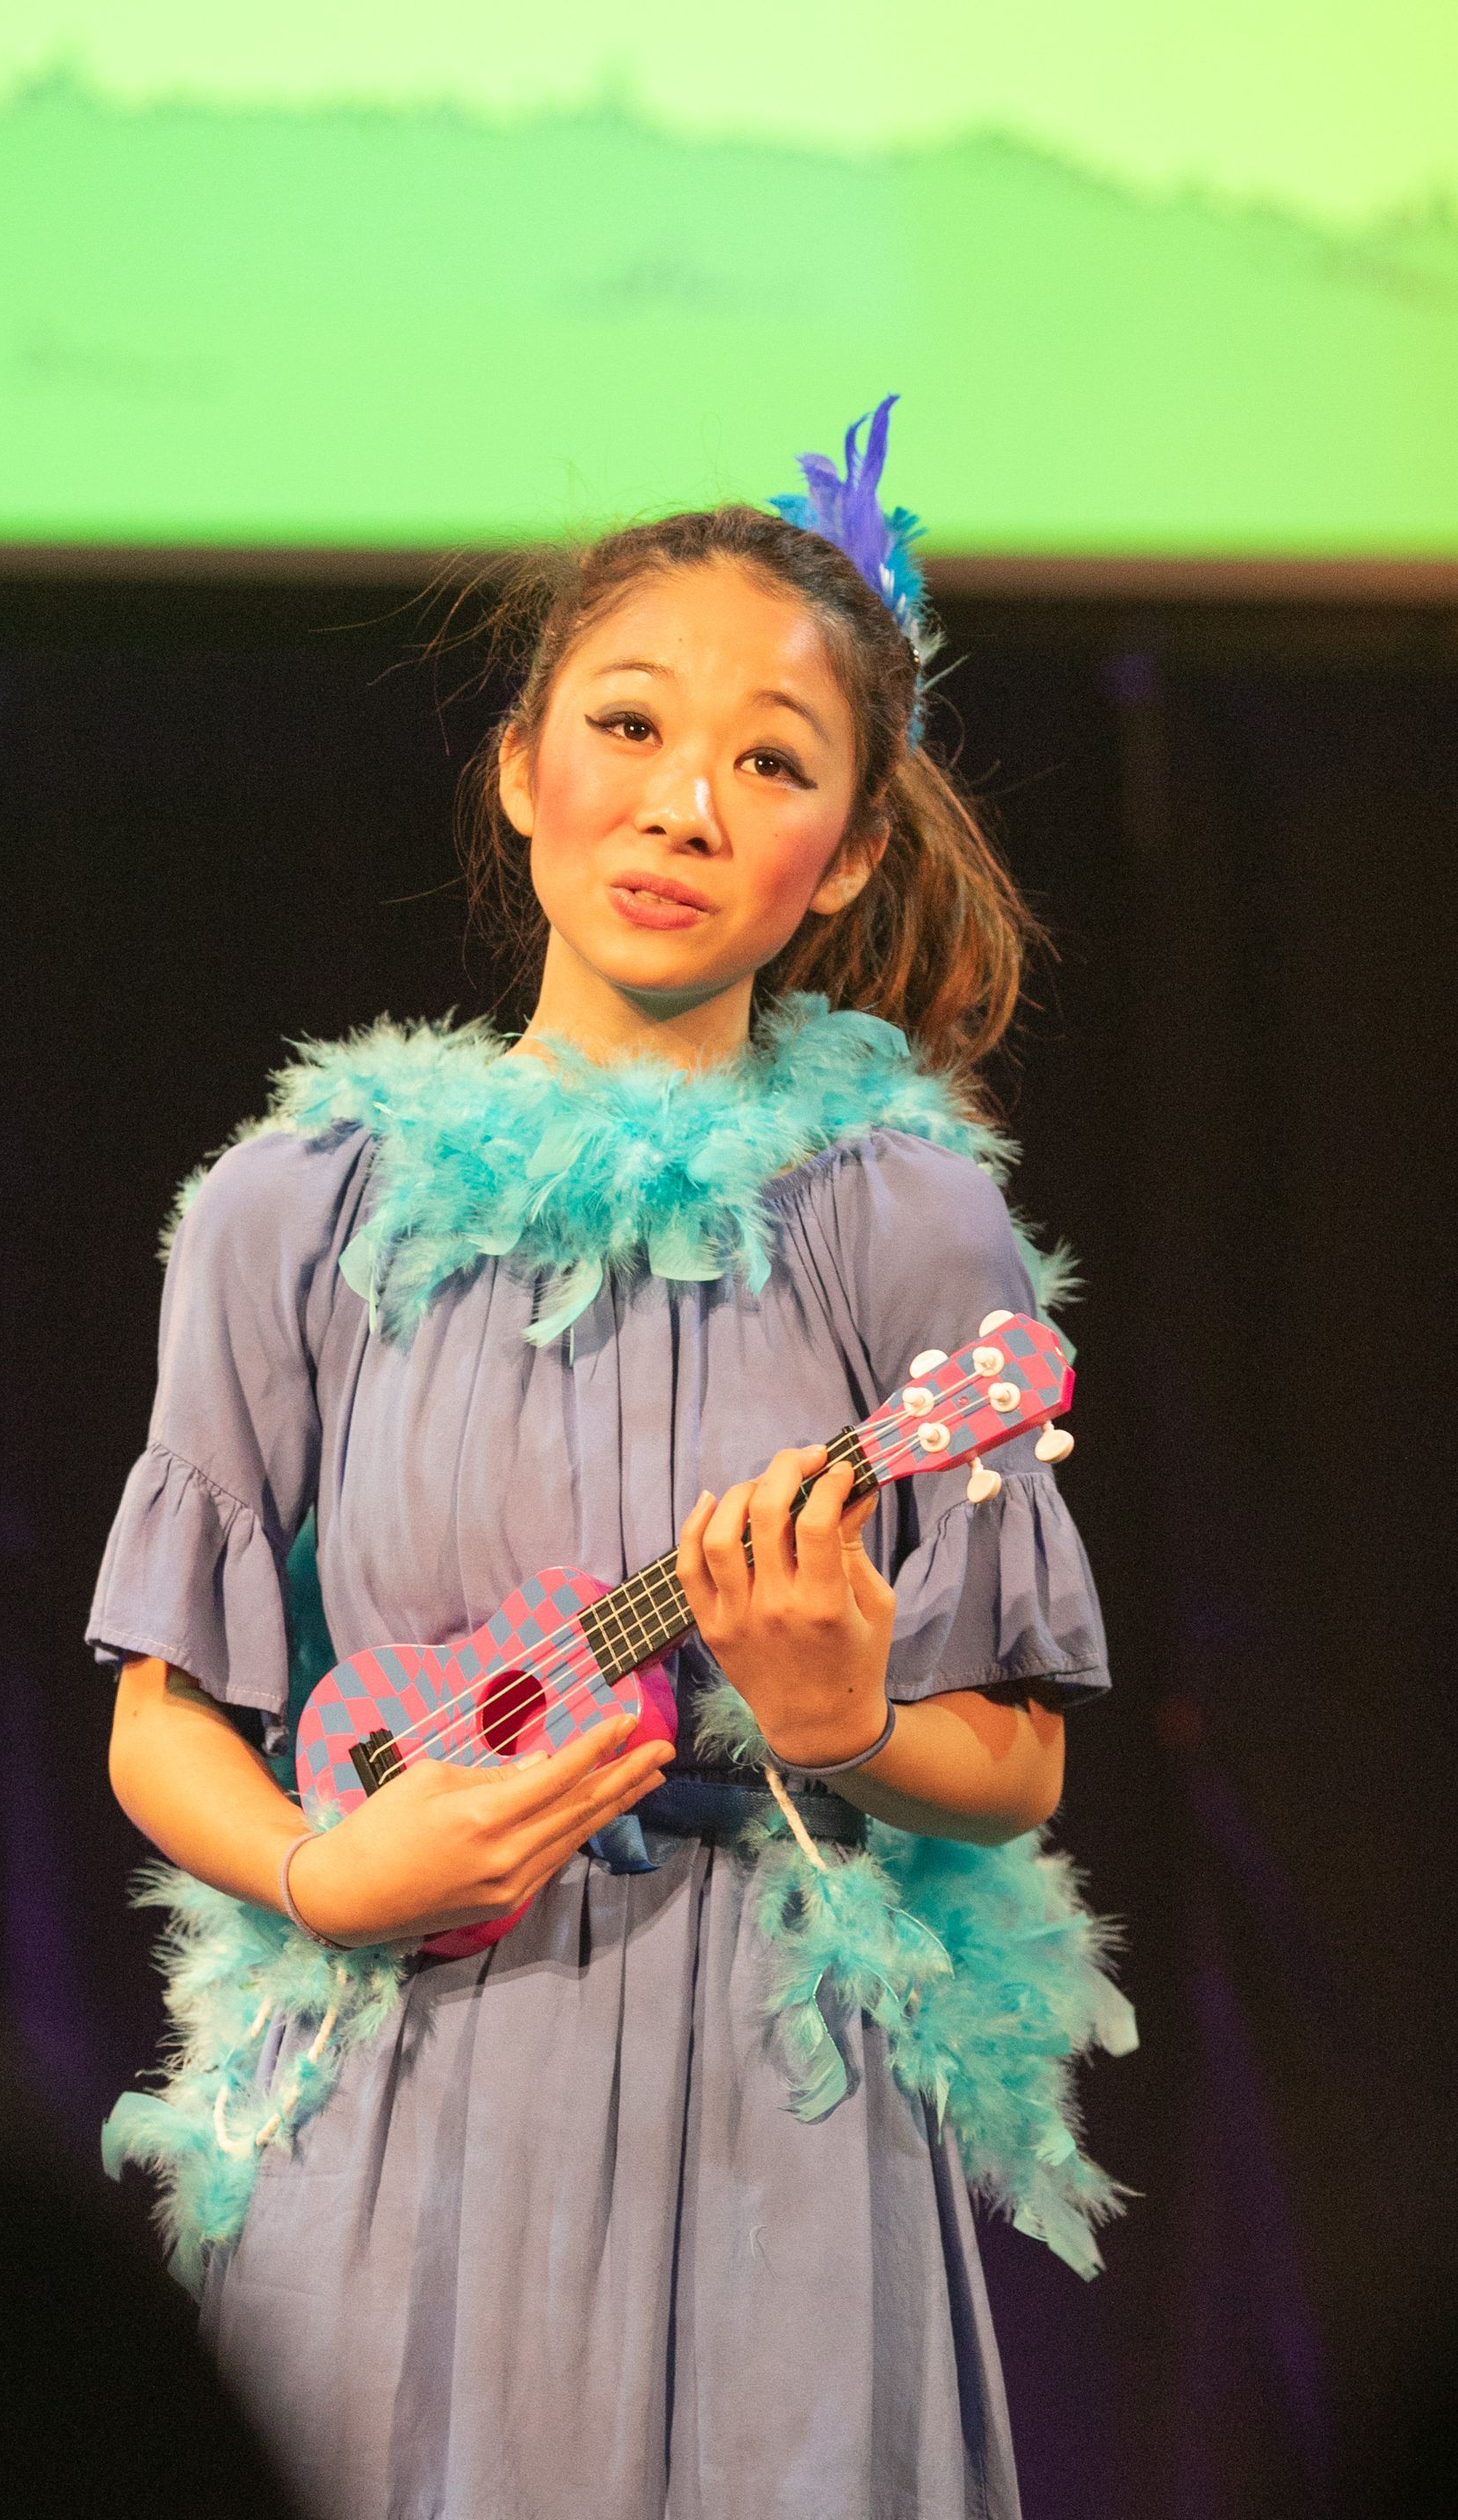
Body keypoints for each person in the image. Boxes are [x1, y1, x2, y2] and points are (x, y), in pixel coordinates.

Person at [89, 401, 1132, 2520]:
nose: (681, 803)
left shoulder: (902, 1219)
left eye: (770, 763)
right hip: (395, 2065)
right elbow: (158, 1718)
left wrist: (848, 1718)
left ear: (839, 855)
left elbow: (1015, 1756)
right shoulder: (299, 1208)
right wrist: (317, 1868)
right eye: (630, 725)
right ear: (522, 769)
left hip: (773, 2085)